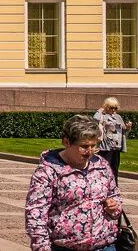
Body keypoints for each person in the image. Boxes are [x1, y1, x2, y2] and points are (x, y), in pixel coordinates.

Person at [25, 114, 123, 251]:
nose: (89, 152)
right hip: (65, 246)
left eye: (94, 146)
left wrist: (114, 206)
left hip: (105, 245)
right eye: (84, 146)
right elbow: (36, 214)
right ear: (67, 142)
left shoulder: (101, 165)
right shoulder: (48, 171)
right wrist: (42, 247)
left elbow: (114, 195)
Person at [94, 97, 132, 180]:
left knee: (115, 168)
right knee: (104, 167)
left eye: (116, 108)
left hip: (116, 146)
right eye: (111, 107)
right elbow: (95, 119)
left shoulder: (118, 117)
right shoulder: (102, 116)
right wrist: (100, 110)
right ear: (106, 107)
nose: (114, 110)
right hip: (106, 146)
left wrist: (128, 128)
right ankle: (103, 184)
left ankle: (115, 186)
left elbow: (123, 130)